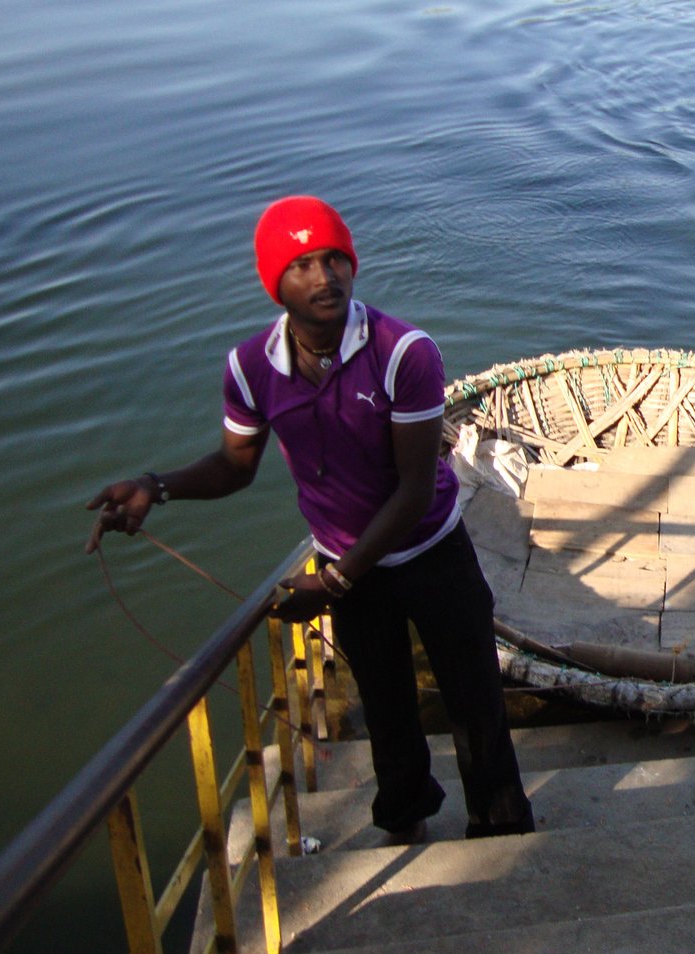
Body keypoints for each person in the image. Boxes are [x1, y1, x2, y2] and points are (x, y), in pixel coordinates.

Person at [85, 196, 534, 843]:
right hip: (348, 566)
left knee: (474, 697)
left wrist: (338, 580)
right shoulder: (249, 367)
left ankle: (501, 822)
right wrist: (156, 487)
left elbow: (411, 490)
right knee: (384, 704)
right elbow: (235, 466)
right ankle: (405, 817)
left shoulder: (404, 352)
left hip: (430, 553)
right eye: (301, 265)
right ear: (275, 283)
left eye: (334, 260)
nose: (324, 277)